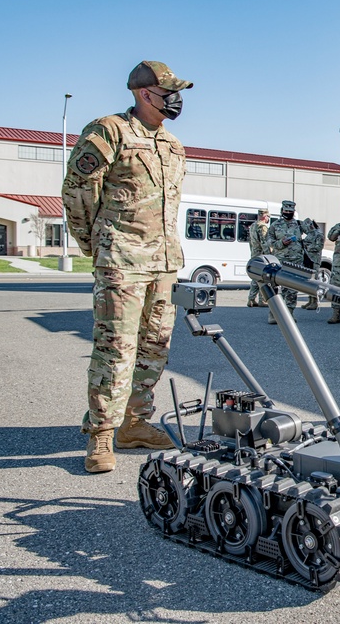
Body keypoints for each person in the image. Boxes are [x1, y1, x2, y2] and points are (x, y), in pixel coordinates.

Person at [61, 60, 192, 473]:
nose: (177, 99)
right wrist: (96, 245)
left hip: (164, 262)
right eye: (169, 91)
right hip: (121, 259)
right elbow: (78, 192)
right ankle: (100, 436)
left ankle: (134, 424)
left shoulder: (172, 145)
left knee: (155, 347)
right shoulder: (109, 131)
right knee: (115, 348)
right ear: (143, 93)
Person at [265, 200, 306, 323]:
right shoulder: (275, 225)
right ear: (282, 211)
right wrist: (280, 243)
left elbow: (316, 234)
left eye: (290, 211)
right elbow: (268, 241)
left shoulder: (300, 225)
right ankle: (273, 315)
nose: (288, 213)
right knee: (275, 288)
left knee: (292, 289)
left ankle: (289, 314)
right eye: (286, 211)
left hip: (295, 261)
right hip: (280, 261)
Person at [247, 208, 270, 307]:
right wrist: (269, 255)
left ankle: (251, 299)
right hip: (262, 256)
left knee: (255, 277)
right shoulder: (263, 227)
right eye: (268, 216)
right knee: (263, 278)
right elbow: (264, 243)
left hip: (254, 254)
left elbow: (250, 242)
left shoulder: (253, 226)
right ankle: (262, 300)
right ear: (265, 216)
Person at [300, 217, 325, 310]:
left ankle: (315, 302)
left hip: (314, 260)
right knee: (308, 281)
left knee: (314, 282)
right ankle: (310, 300)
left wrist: (307, 247)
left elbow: (319, 246)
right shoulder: (310, 234)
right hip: (307, 259)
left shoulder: (319, 234)